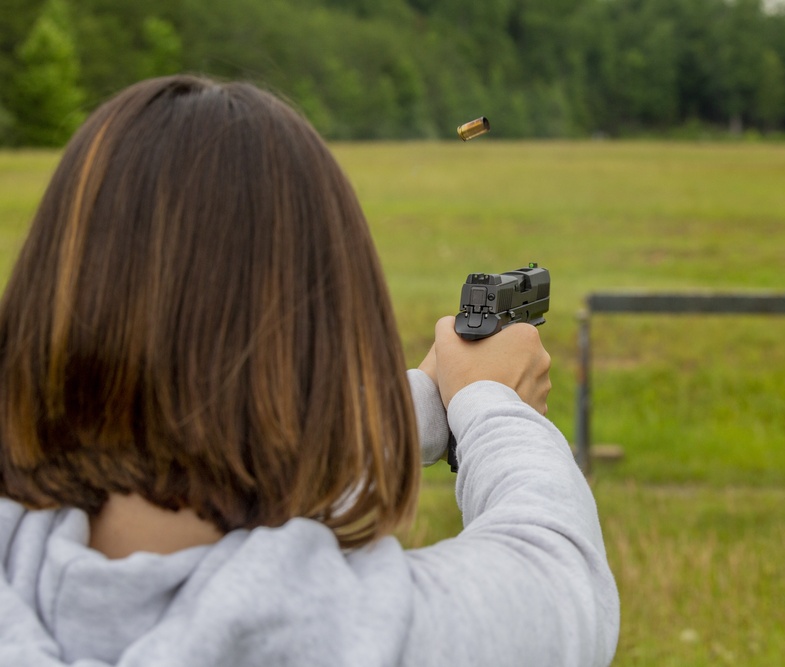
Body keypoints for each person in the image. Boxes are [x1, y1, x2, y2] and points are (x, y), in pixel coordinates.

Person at [0, 75, 619, 666]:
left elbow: (213, 429)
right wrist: (492, 406)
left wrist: (431, 400)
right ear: (318, 330)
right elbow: (559, 572)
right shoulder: (343, 632)